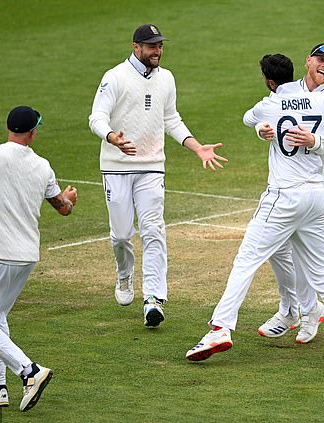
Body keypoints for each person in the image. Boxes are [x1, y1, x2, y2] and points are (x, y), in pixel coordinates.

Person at [186, 53, 324, 362]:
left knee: (246, 261)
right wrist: (316, 127)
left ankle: (220, 328)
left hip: (283, 197)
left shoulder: (272, 102)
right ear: (305, 64)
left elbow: (248, 117)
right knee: (322, 271)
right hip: (314, 199)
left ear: (271, 82)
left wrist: (304, 136)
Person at [88, 24, 228, 327]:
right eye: (152, 46)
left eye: (160, 46)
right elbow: (96, 117)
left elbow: (171, 118)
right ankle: (124, 274)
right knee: (122, 234)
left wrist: (196, 148)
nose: (158, 51)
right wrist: (112, 137)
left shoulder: (166, 78)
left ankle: (153, 298)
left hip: (152, 166)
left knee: (153, 230)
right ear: (136, 47)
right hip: (116, 166)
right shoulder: (114, 78)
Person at [0, 106, 78, 411]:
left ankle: (30, 371)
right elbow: (63, 208)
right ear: (32, 133)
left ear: (8, 128)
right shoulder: (43, 166)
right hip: (26, 257)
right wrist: (69, 197)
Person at [257, 44, 324, 345]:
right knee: (277, 249)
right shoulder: (286, 93)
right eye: (321, 60)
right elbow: (260, 115)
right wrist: (262, 128)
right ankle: (300, 309)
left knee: (306, 259)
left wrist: (314, 140)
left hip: (312, 191)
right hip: (283, 187)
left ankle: (302, 311)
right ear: (308, 61)